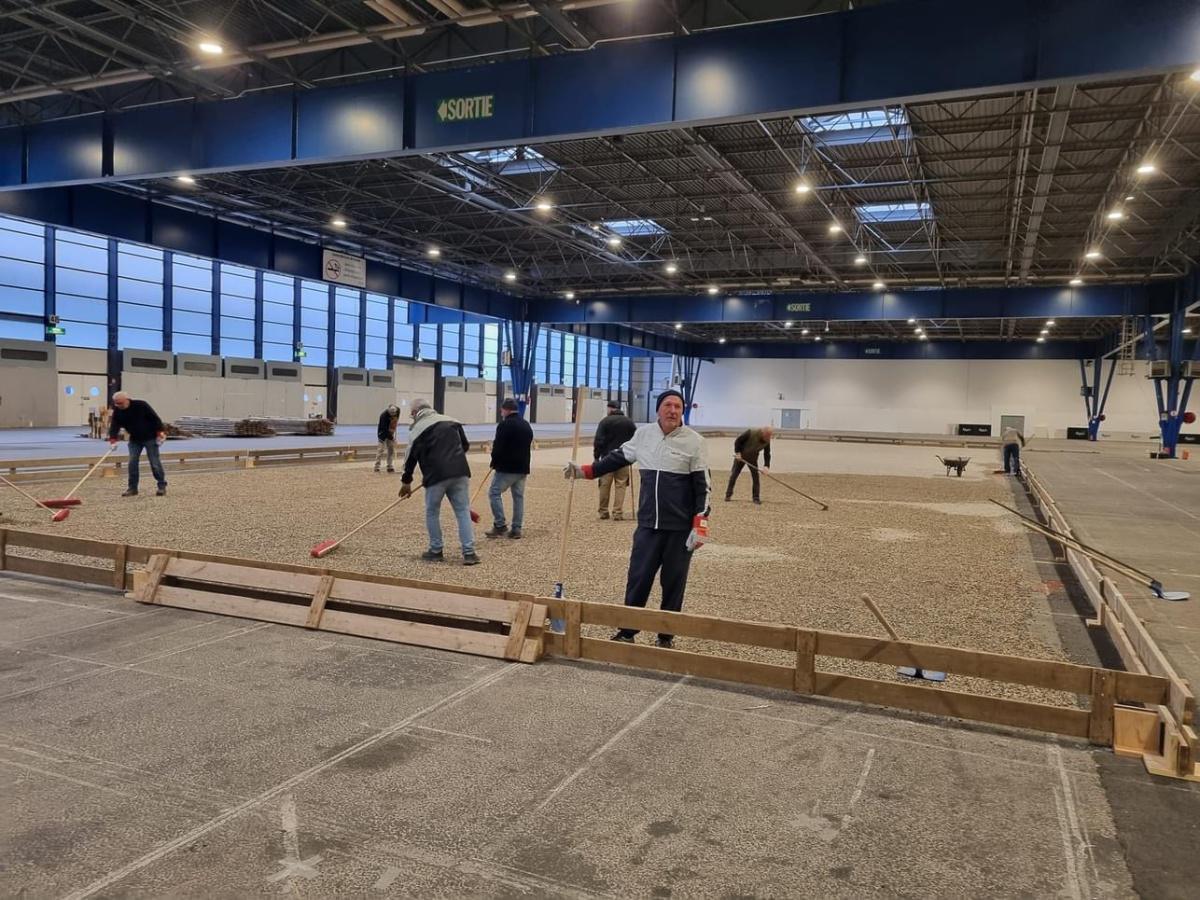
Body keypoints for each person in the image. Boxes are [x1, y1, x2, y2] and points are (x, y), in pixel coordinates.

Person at [564, 389, 710, 648]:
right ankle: (627, 631)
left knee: (673, 584)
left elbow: (704, 488)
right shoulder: (643, 435)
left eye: (678, 406)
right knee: (638, 579)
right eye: (668, 405)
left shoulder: (694, 442)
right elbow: (616, 458)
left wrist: (700, 525)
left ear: (682, 411)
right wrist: (585, 471)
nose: (673, 410)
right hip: (647, 527)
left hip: (679, 531)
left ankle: (665, 636)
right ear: (658, 410)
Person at [399, 399, 479, 565]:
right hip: (460, 472)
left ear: (415, 413)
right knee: (463, 511)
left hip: (436, 477)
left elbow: (410, 458)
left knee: (432, 511)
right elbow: (464, 445)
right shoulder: (452, 421)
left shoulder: (417, 430)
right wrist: (453, 458)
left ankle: (436, 550)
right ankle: (469, 553)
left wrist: (406, 481)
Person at [486, 398, 533, 539]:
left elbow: (498, 446)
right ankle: (516, 529)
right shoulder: (526, 425)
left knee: (494, 492)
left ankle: (500, 525)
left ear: (506, 410)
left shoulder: (504, 425)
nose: (501, 412)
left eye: (501, 410)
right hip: (523, 468)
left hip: (507, 468)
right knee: (518, 498)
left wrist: (494, 461)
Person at [107, 391, 167, 497]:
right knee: (132, 462)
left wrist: (160, 433)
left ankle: (161, 486)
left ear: (127, 400)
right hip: (135, 439)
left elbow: (155, 419)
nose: (118, 406)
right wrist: (113, 440)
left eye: (120, 403)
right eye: (116, 403)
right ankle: (132, 488)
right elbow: (114, 426)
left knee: (154, 462)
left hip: (150, 438)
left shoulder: (141, 405)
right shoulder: (118, 411)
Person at [593, 400, 637, 520]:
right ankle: (617, 512)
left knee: (604, 485)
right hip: (624, 458)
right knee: (621, 485)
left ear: (610, 409)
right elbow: (635, 440)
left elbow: (599, 441)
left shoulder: (605, 421)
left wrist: (596, 457)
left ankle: (603, 511)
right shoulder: (629, 422)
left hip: (607, 459)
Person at [726, 426, 773, 504]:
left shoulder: (767, 440)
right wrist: (738, 453)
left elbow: (767, 454)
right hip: (741, 457)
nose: (769, 437)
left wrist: (766, 466)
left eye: (770, 435)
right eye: (767, 435)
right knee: (734, 475)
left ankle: (756, 498)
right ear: (762, 432)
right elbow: (738, 441)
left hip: (753, 459)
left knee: (755, 478)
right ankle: (728, 495)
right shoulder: (751, 432)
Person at [374, 405, 400, 473]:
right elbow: (385, 430)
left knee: (391, 449)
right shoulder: (383, 416)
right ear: (388, 412)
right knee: (380, 450)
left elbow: (396, 419)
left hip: (390, 432)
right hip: (382, 433)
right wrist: (393, 439)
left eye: (394, 414)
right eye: (391, 415)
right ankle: (377, 466)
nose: (393, 416)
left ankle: (390, 466)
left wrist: (394, 426)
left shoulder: (398, 411)